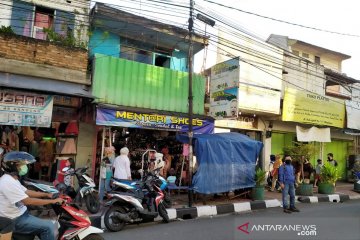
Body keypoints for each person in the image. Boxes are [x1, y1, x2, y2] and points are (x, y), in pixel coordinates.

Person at [0, 154, 64, 240]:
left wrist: (46, 194)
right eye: (21, 165)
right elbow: (28, 201)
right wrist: (52, 201)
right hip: (16, 219)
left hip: (21, 215)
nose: (24, 167)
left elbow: (27, 191)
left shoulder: (12, 179)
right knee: (49, 226)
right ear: (12, 166)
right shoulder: (7, 181)